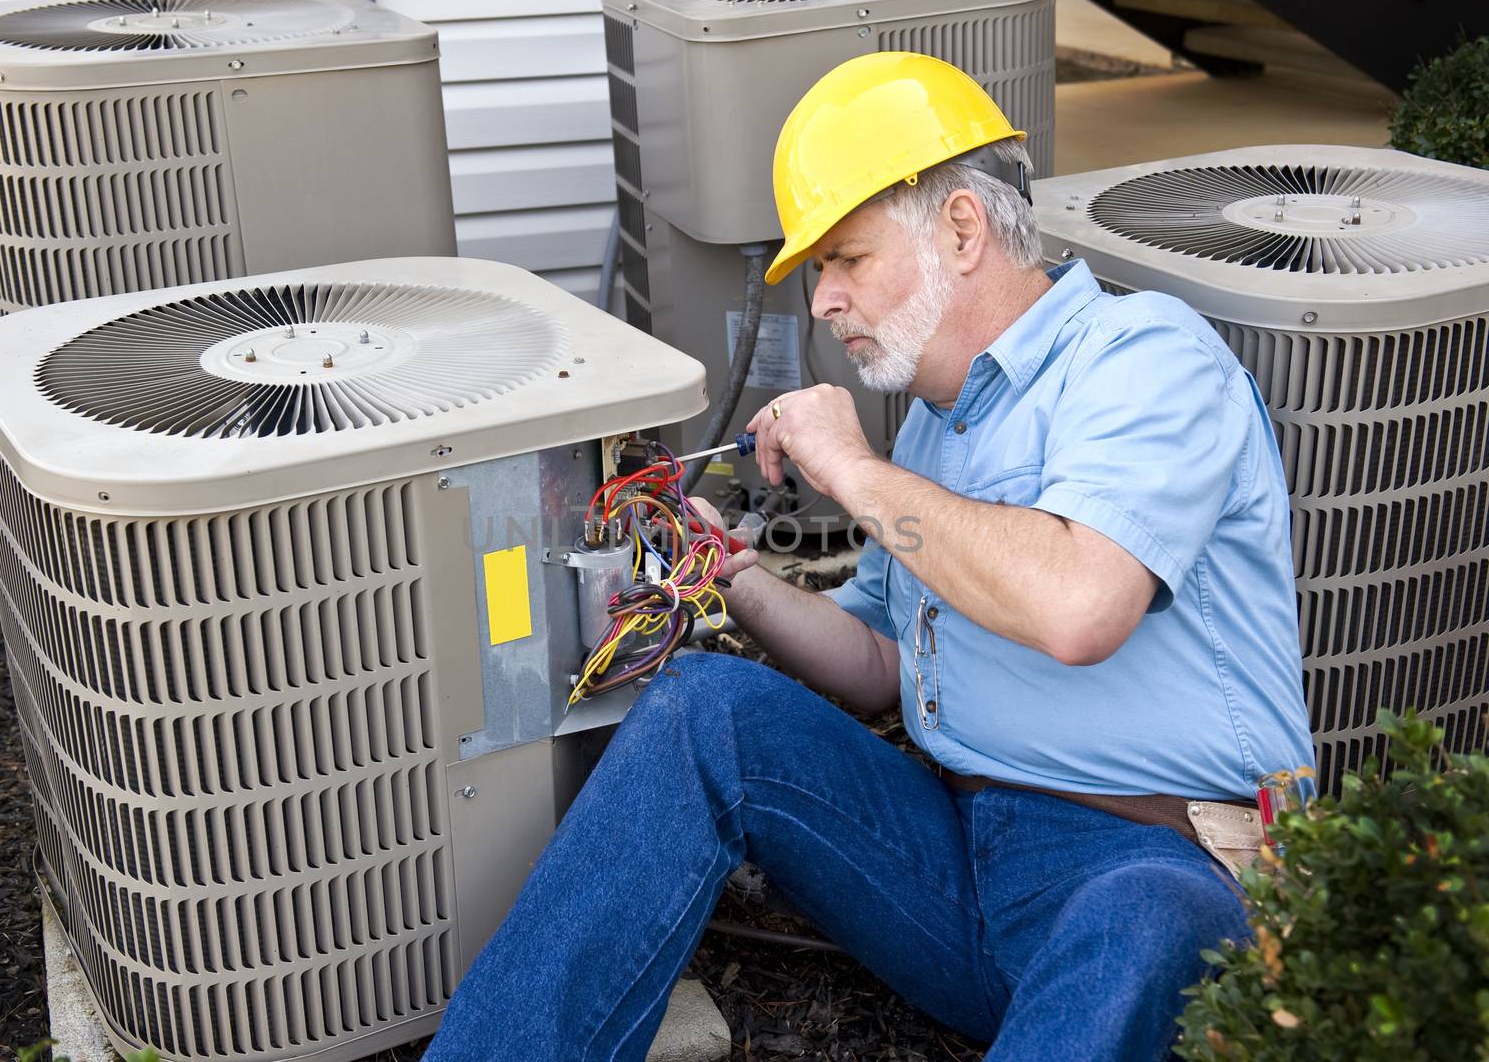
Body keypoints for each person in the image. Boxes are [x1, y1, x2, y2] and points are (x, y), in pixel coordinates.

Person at [423, 52, 1313, 1062]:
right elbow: (883, 661)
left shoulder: (1144, 359)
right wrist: (737, 580)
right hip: (959, 864)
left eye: (846, 259)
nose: (821, 304)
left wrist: (851, 467)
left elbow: (1078, 605)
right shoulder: (934, 431)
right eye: (817, 273)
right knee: (705, 709)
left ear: (962, 230)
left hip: (1160, 863)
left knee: (1147, 917)